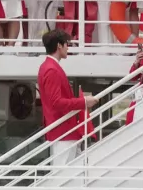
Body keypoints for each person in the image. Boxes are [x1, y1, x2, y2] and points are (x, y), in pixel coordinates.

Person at [38, 29, 98, 166]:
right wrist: (83, 102)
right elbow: (56, 102)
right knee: (63, 176)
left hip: (64, 130)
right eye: (66, 44)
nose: (68, 47)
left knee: (73, 175)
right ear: (59, 45)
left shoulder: (48, 67)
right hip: (63, 131)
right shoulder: (51, 69)